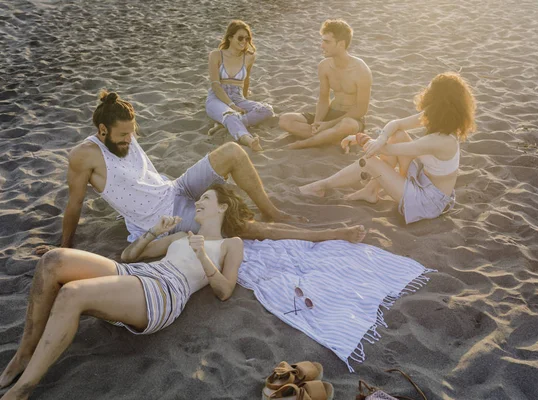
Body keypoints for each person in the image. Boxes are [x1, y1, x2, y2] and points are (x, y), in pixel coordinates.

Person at [0, 184, 328, 399]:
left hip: (164, 292)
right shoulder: (182, 235)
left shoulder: (231, 244)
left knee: (72, 293)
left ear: (223, 207)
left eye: (206, 199)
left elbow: (225, 291)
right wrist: (153, 232)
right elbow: (130, 257)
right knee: (53, 260)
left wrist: (203, 256)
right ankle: (23, 354)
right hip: (140, 273)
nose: (198, 203)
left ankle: (25, 386)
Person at [35, 90, 365, 255]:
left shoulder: (123, 131)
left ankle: (272, 208)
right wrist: (64, 245)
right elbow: (74, 204)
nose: (128, 140)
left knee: (234, 151)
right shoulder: (83, 157)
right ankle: (329, 234)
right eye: (123, 137)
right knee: (244, 228)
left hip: (173, 187)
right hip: (163, 217)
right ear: (102, 131)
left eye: (131, 133)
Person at [299, 72, 476, 224]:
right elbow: (397, 123)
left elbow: (390, 150)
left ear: (437, 101)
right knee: (396, 135)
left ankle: (320, 185)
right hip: (424, 181)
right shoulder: (439, 118)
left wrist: (359, 138)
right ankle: (370, 191)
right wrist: (381, 137)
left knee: (369, 162)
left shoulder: (441, 141)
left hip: (429, 202)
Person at [278, 19, 372, 150]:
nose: (322, 45)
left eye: (327, 41)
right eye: (322, 40)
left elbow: (361, 110)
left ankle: (305, 143)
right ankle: (329, 138)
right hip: (330, 114)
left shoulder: (361, 70)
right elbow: (323, 98)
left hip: (351, 118)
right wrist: (318, 122)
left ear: (341, 44)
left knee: (347, 126)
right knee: (285, 120)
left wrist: (328, 125)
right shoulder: (324, 66)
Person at [206, 20, 274, 151]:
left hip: (237, 96)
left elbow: (246, 80)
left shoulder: (249, 57)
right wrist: (232, 106)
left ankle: (226, 124)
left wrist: (244, 100)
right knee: (230, 114)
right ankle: (248, 140)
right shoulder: (215, 55)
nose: (244, 41)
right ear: (230, 37)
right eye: (240, 38)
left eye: (247, 38)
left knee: (267, 110)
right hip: (217, 97)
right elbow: (215, 85)